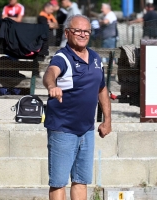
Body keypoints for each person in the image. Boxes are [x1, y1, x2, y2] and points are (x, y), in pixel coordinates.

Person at [43, 14, 111, 200]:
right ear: (67, 33)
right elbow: (50, 73)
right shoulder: (63, 57)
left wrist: (107, 120)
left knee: (81, 181)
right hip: (62, 129)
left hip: (87, 130)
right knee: (58, 183)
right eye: (77, 30)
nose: (83, 34)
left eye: (86, 31)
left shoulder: (96, 59)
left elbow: (102, 89)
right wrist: (51, 86)